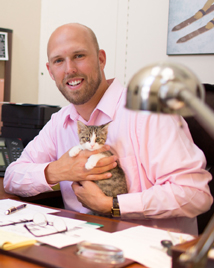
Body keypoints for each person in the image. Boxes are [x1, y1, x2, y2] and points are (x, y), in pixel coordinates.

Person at [3, 23, 213, 235]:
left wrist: (112, 204)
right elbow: (12, 177)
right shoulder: (60, 121)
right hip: (80, 244)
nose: (69, 69)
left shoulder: (149, 112)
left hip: (149, 251)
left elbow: (195, 194)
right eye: (59, 61)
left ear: (101, 59)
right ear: (50, 71)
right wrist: (59, 170)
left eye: (79, 56)